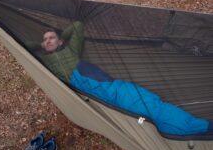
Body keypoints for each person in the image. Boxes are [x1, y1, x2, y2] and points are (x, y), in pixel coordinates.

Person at [26, 21, 213, 136]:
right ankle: (186, 131)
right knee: (134, 112)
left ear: (60, 41)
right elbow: (24, 45)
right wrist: (41, 45)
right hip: (81, 88)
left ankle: (197, 128)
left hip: (93, 77)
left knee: (142, 102)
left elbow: (77, 25)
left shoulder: (70, 49)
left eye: (52, 38)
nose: (48, 40)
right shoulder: (44, 60)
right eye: (45, 39)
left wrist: (59, 36)